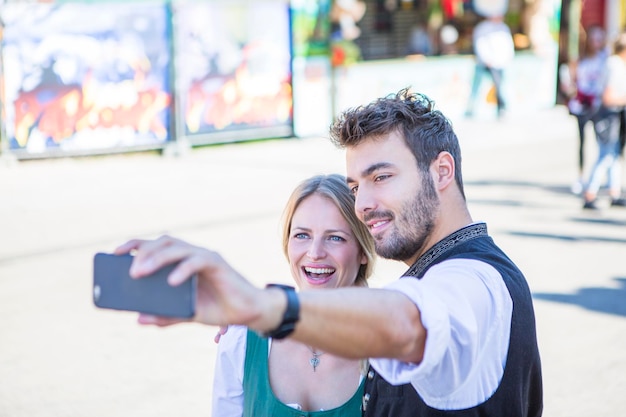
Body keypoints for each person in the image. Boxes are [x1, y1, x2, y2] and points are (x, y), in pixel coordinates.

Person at [115, 88, 543, 416]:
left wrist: (258, 305)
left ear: (442, 171)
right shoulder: (433, 275)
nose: (364, 204)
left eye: (382, 177)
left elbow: (409, 324)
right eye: (356, 186)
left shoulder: (475, 281)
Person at [211, 174, 376, 416]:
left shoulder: (388, 347)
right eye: (302, 235)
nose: (315, 252)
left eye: (335, 238)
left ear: (363, 251)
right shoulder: (241, 338)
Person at [559, 25, 608, 195]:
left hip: (599, 106)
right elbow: (572, 80)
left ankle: (604, 179)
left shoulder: (605, 58)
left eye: (600, 38)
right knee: (582, 143)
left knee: (602, 142)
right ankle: (581, 177)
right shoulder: (580, 60)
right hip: (582, 106)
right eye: (594, 38)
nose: (597, 42)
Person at [582, 32, 626, 209]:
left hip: (612, 113)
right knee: (606, 154)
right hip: (607, 114)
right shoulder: (614, 65)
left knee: (613, 154)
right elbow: (608, 97)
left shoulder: (616, 63)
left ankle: (614, 192)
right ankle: (590, 193)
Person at [464, 15, 515, 119]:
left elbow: (508, 45)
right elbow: (480, 44)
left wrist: (507, 59)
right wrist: (486, 59)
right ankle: (471, 109)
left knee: (499, 86)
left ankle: (501, 108)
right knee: (477, 87)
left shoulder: (503, 28)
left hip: (500, 63)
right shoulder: (483, 28)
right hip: (486, 63)